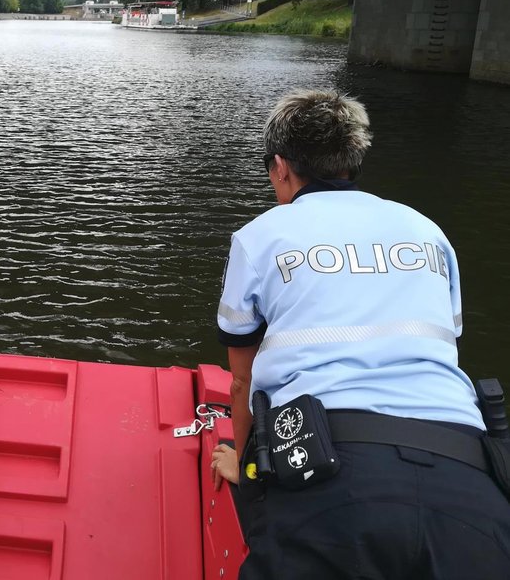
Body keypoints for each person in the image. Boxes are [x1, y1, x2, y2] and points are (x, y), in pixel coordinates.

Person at [211, 90, 510, 579]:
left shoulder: (261, 235)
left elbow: (243, 382)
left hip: (329, 476)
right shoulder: (428, 230)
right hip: (469, 477)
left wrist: (248, 476)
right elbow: (444, 343)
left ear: (281, 167)